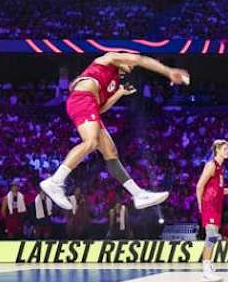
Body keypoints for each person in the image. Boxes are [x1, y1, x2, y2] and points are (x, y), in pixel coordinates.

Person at [40, 51, 189, 213]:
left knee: (111, 152)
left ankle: (138, 194)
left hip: (90, 105)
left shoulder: (114, 83)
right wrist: (168, 71)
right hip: (82, 98)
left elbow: (101, 108)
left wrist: (120, 93)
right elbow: (139, 59)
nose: (131, 66)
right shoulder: (108, 58)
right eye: (129, 63)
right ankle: (55, 181)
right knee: (91, 142)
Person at [196, 139, 228, 282]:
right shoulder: (211, 165)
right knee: (211, 236)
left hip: (217, 206)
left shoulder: (221, 168)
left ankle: (209, 267)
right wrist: (201, 205)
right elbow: (199, 186)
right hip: (209, 206)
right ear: (217, 150)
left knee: (212, 237)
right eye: (225, 149)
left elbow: (216, 190)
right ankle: (206, 270)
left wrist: (227, 190)